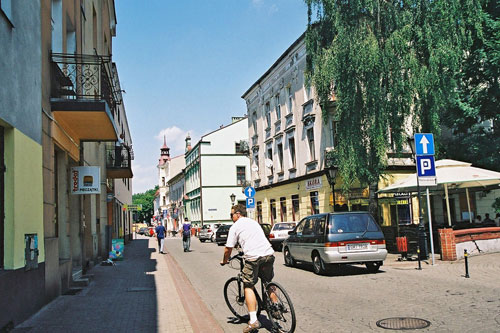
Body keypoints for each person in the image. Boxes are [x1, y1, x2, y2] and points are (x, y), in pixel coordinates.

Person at [220, 204, 275, 333]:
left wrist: (224, 260)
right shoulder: (253, 222)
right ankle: (276, 308)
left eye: (231, 215)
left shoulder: (235, 227)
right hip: (268, 254)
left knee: (248, 285)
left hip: (253, 257)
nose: (231, 217)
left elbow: (228, 248)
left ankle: (253, 321)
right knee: (268, 282)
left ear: (238, 214)